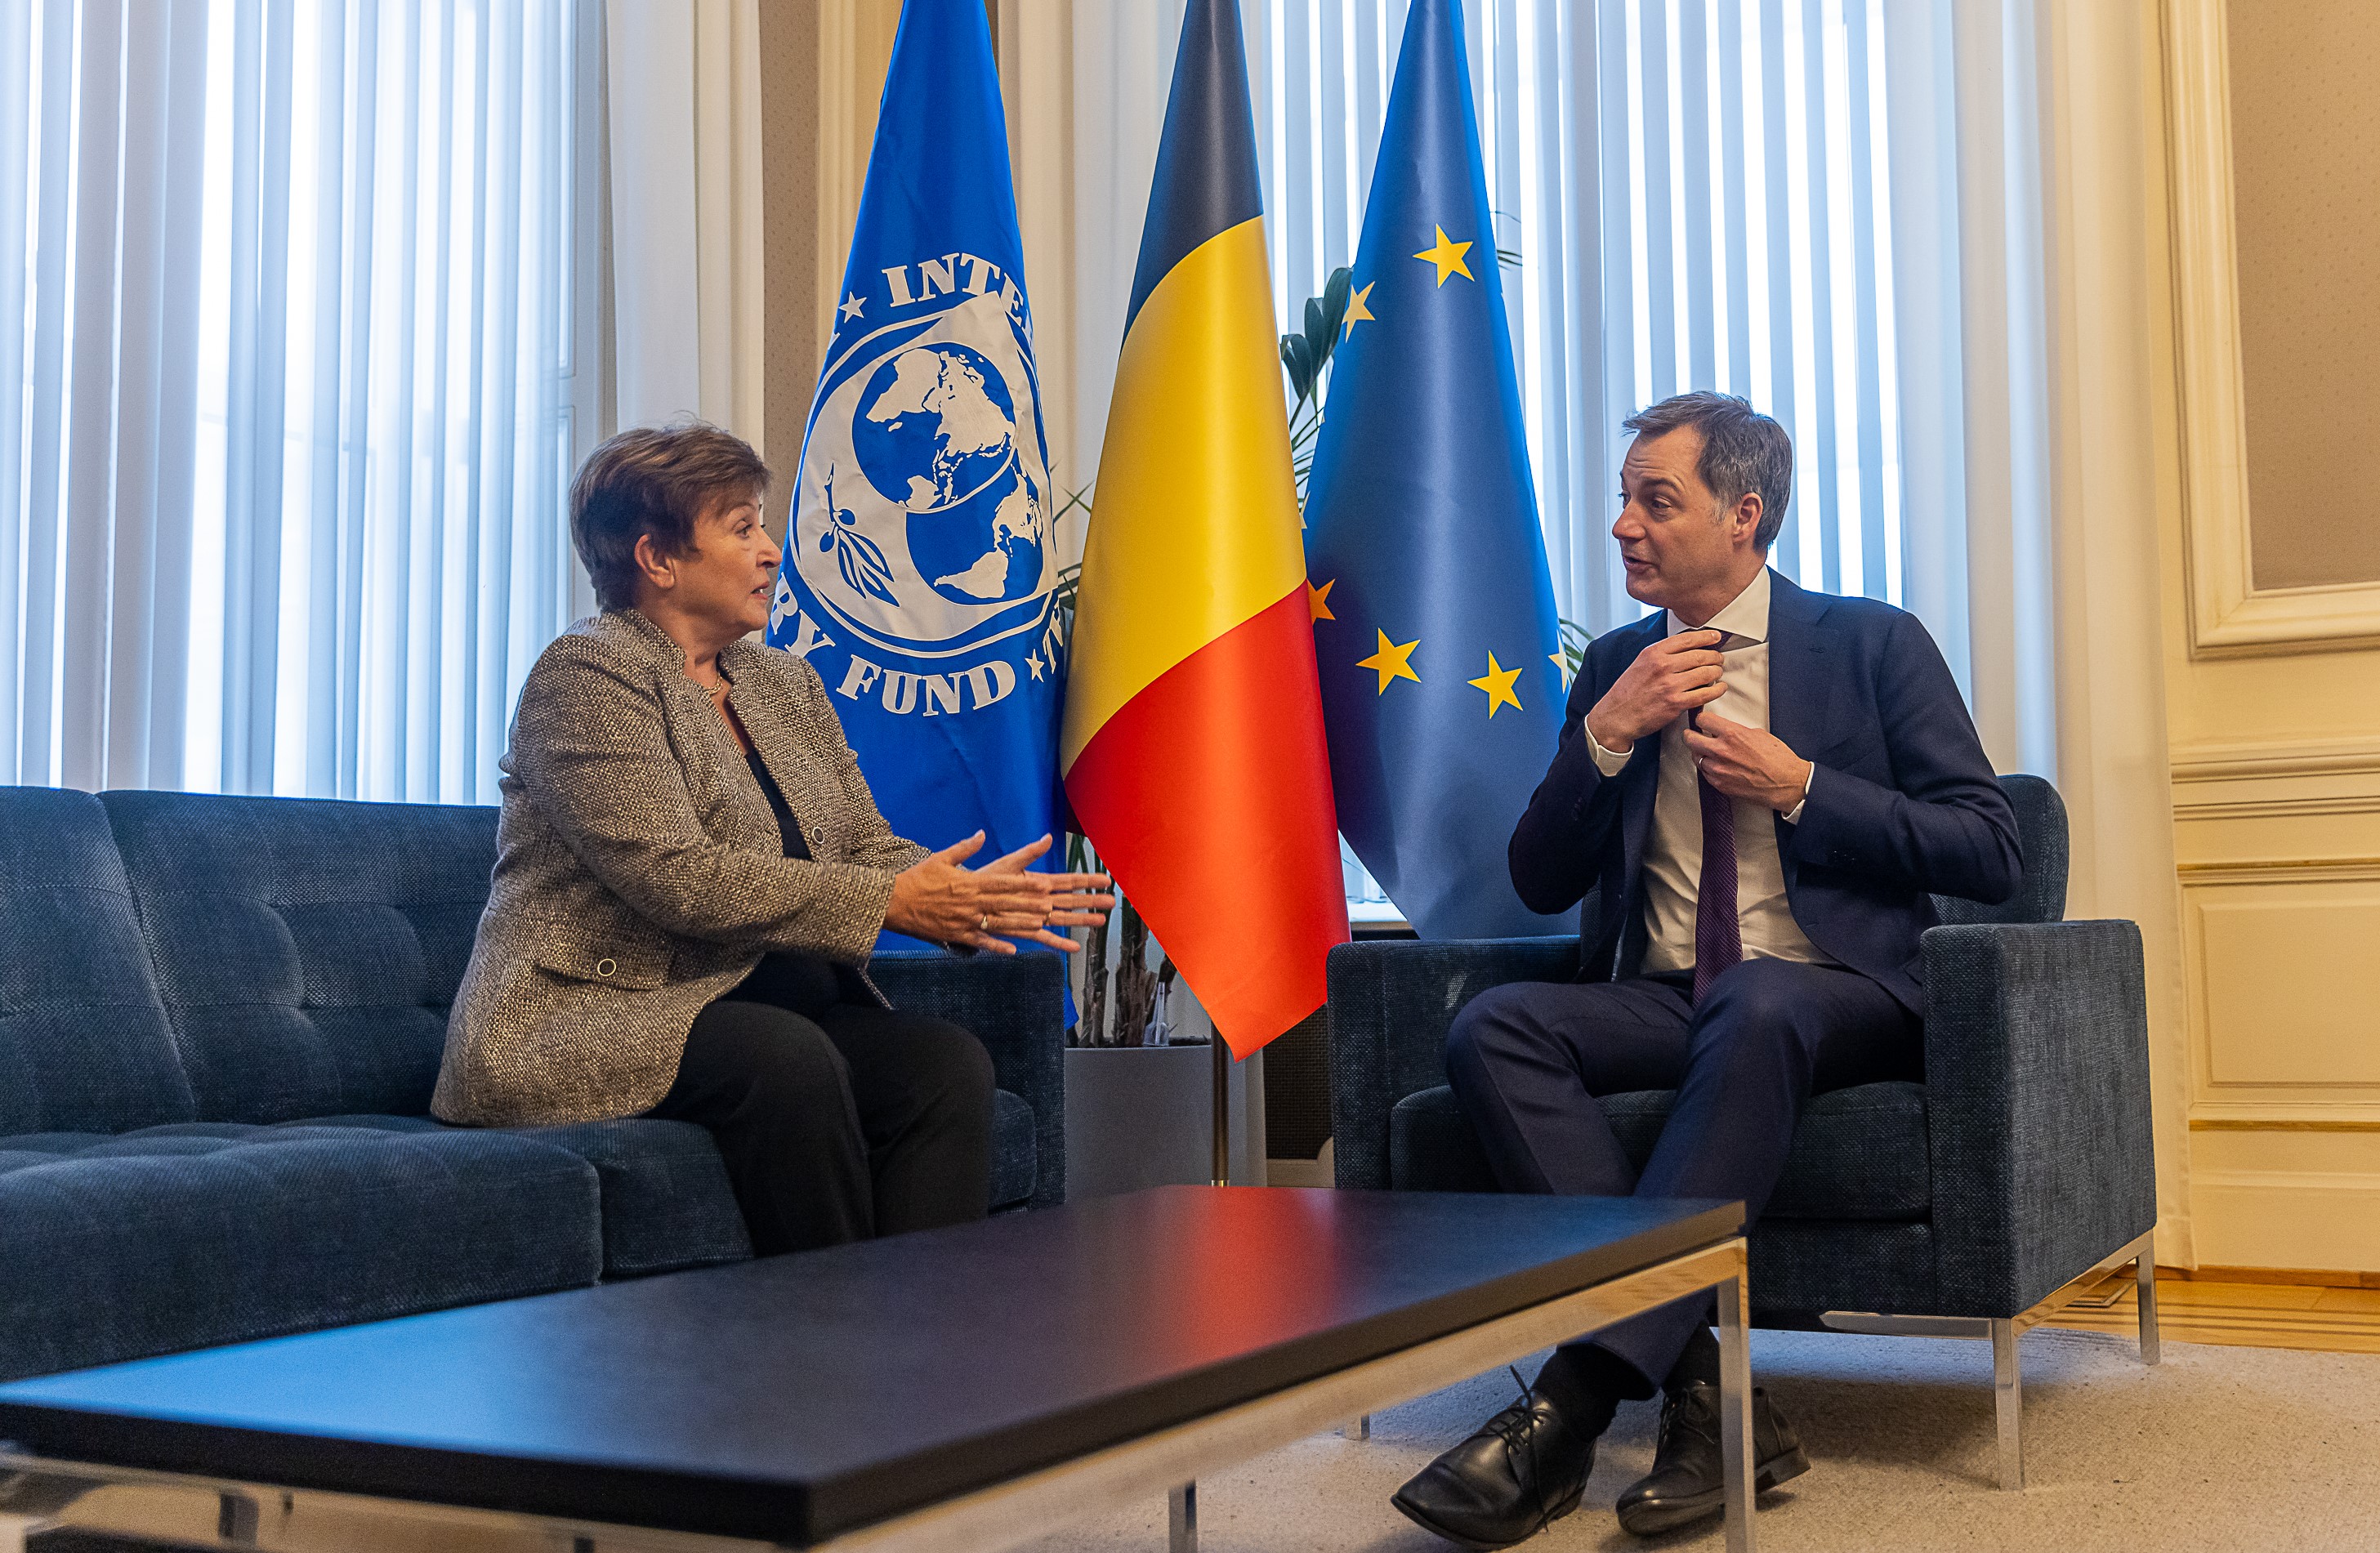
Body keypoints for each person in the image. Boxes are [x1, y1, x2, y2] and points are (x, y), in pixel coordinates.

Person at [1391, 393, 2018, 1546]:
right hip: (1671, 995)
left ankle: (1569, 1405)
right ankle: (1710, 1394)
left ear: (1743, 513)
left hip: (1839, 989)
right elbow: (1538, 877)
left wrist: (1804, 788)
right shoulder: (1618, 663)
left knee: (1759, 994)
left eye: (1655, 499)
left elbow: (1990, 845)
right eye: (1623, 498)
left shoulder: (1871, 642)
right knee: (1496, 1027)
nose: (1622, 524)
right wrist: (1606, 735)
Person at [432, 423, 1111, 1255]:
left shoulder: (780, 679)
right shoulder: (588, 675)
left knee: (943, 1066)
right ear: (657, 558)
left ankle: (924, 1330)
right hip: (593, 1016)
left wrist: (964, 895)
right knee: (785, 1059)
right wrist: (891, 902)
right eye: (742, 527)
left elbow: (859, 842)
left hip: (748, 1006)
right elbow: (677, 876)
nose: (771, 550)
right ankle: (826, 1329)